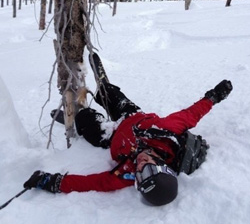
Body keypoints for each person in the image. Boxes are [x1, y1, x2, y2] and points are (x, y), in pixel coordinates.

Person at [24, 72, 233, 206]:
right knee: (106, 92)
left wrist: (51, 182)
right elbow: (191, 114)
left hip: (111, 137)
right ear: (162, 166)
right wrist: (214, 96)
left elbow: (93, 183)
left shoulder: (127, 174)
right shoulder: (168, 132)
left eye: (141, 177)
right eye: (150, 169)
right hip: (132, 115)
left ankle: (88, 117)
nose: (141, 167)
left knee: (85, 120)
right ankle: (104, 89)